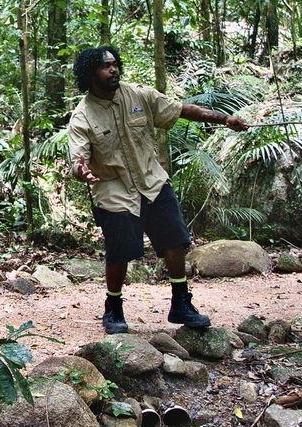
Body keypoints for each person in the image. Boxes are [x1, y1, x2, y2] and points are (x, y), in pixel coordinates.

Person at [67, 46, 250, 335]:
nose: (114, 70)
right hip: (114, 189)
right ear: (91, 74)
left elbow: (180, 110)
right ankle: (113, 308)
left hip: (152, 181)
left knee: (176, 240)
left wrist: (224, 119)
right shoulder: (83, 116)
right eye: (105, 66)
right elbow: (78, 161)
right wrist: (82, 171)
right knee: (119, 252)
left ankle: (181, 303)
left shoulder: (139, 95)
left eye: (115, 64)